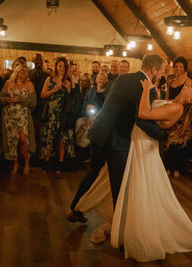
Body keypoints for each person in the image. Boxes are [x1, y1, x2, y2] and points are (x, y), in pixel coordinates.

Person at [72, 71, 192, 262]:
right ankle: (122, 224)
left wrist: (144, 90)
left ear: (191, 100)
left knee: (130, 185)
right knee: (124, 183)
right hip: (138, 141)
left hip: (140, 143)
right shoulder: (176, 102)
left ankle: (129, 229)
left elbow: (142, 114)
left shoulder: (176, 108)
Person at [68, 54, 168, 225]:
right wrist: (162, 136)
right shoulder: (146, 88)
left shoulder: (123, 78)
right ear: (153, 70)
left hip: (99, 130)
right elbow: (141, 118)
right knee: (119, 184)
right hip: (116, 137)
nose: (161, 76)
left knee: (93, 171)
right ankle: (120, 229)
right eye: (161, 72)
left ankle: (75, 209)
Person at [40, 57, 78, 173]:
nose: (61, 68)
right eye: (59, 66)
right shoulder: (50, 78)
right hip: (52, 112)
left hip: (64, 113)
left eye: (64, 66)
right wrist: (54, 90)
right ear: (56, 67)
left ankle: (60, 164)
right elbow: (42, 95)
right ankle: (46, 162)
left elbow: (74, 98)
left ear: (66, 68)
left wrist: (69, 90)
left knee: (62, 137)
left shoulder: (69, 79)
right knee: (49, 137)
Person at [0, 64, 36, 175]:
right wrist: (7, 99)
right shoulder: (8, 83)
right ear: (16, 71)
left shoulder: (29, 84)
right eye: (22, 70)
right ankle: (15, 164)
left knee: (23, 140)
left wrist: (18, 99)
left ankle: (26, 163)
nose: (24, 72)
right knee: (12, 141)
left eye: (26, 71)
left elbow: (33, 103)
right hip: (9, 117)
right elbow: (0, 99)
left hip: (23, 116)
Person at [164, 56, 192, 178]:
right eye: (176, 66)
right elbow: (167, 97)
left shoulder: (188, 81)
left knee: (179, 141)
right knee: (169, 140)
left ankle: (178, 168)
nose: (178, 68)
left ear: (184, 68)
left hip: (182, 113)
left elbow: (187, 97)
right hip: (171, 112)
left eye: (181, 66)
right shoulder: (171, 82)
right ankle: (168, 166)